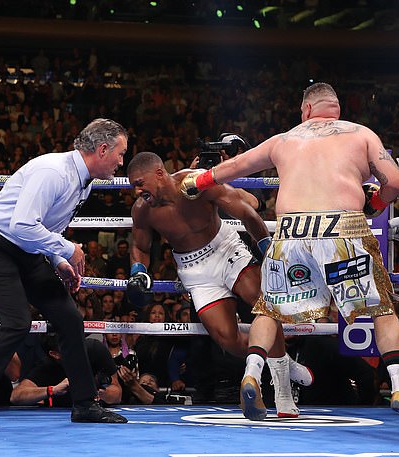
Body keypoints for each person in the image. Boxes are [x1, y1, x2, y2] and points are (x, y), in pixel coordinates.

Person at [179, 82, 399, 419]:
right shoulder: (361, 134)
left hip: (292, 233)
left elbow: (237, 167)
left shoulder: (285, 138)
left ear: (306, 110)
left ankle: (251, 374)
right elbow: (394, 182)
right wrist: (375, 203)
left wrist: (198, 181)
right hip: (343, 230)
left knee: (269, 310)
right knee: (380, 308)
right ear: (336, 109)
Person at [0, 118, 129, 430]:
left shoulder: (82, 183)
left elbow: (45, 228)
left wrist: (58, 259)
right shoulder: (53, 172)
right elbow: (21, 225)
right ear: (101, 150)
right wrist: (69, 248)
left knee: (69, 318)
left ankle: (85, 403)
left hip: (27, 251)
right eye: (120, 153)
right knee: (17, 322)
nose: (121, 162)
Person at [127, 151, 312, 418]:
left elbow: (247, 212)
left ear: (159, 173)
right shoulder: (143, 211)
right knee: (228, 339)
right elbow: (141, 246)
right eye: (134, 185)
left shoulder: (196, 184)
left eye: (139, 183)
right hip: (194, 269)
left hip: (226, 249)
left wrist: (267, 248)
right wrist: (138, 271)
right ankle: (283, 361)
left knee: (264, 303)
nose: (137, 190)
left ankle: (283, 389)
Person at [10, 335, 122, 407]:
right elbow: (16, 396)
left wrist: (99, 394)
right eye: (68, 348)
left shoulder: (95, 350)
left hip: (97, 415)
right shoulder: (48, 366)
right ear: (55, 354)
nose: (75, 350)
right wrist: (52, 390)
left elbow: (117, 393)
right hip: (61, 420)